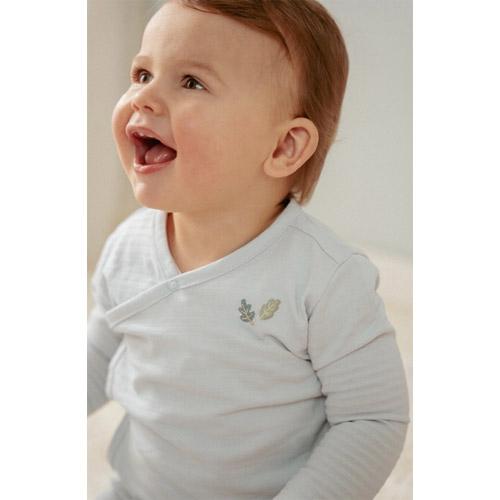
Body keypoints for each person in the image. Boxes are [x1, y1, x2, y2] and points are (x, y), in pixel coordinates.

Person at [88, 0, 410, 498]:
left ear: (283, 147)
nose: (144, 97)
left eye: (191, 82)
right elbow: (96, 356)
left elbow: (371, 418)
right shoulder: (127, 246)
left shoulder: (324, 279)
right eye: (143, 73)